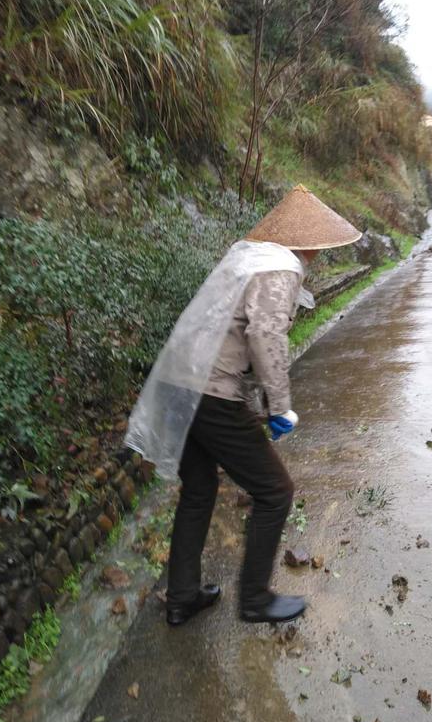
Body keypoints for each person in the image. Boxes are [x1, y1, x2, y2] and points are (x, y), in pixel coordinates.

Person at [125, 185, 361, 625]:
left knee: (198, 489)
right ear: (308, 243)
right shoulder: (280, 268)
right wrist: (280, 408)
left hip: (178, 385)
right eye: (317, 247)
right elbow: (263, 336)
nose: (316, 256)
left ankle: (182, 597)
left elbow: (229, 335)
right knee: (275, 492)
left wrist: (258, 403)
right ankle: (255, 600)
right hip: (210, 394)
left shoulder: (246, 261)